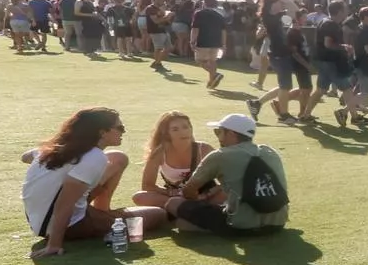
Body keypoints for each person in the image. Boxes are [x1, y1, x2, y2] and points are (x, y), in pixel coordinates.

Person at [23, 108, 168, 255]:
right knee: (158, 214)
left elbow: (25, 157)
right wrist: (54, 244)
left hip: (40, 221)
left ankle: (103, 211)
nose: (123, 132)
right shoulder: (95, 156)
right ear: (102, 132)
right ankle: (104, 222)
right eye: (120, 127)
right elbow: (65, 203)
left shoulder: (51, 150)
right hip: (71, 225)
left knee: (117, 158)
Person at [168, 113, 290, 235]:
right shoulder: (270, 152)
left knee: (174, 205)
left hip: (240, 226)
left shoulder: (220, 155)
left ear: (231, 134)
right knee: (185, 223)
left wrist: (201, 199)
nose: (218, 137)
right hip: (278, 224)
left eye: (219, 132)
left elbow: (188, 190)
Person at [247, 0, 314, 125]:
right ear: (272, 3)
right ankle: (283, 116)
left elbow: (295, 10)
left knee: (284, 86)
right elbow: (294, 10)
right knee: (285, 86)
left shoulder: (273, 16)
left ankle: (257, 103)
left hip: (281, 55)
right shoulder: (270, 17)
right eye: (279, 2)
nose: (281, 4)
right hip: (279, 55)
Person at [133, 111, 203, 207]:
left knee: (222, 195)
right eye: (175, 129)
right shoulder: (159, 152)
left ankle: (180, 207)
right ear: (166, 133)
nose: (183, 132)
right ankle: (184, 206)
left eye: (185, 127)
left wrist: (206, 195)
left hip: (203, 194)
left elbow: (222, 181)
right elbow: (147, 185)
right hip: (174, 196)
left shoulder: (203, 148)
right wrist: (170, 192)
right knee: (139, 197)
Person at [190, 0, 229, 90]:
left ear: (204, 3)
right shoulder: (220, 15)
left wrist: (192, 41)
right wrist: (224, 44)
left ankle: (215, 75)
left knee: (200, 60)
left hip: (203, 40)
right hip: (216, 41)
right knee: (212, 61)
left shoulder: (199, 13)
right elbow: (223, 31)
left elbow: (195, 28)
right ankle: (212, 81)